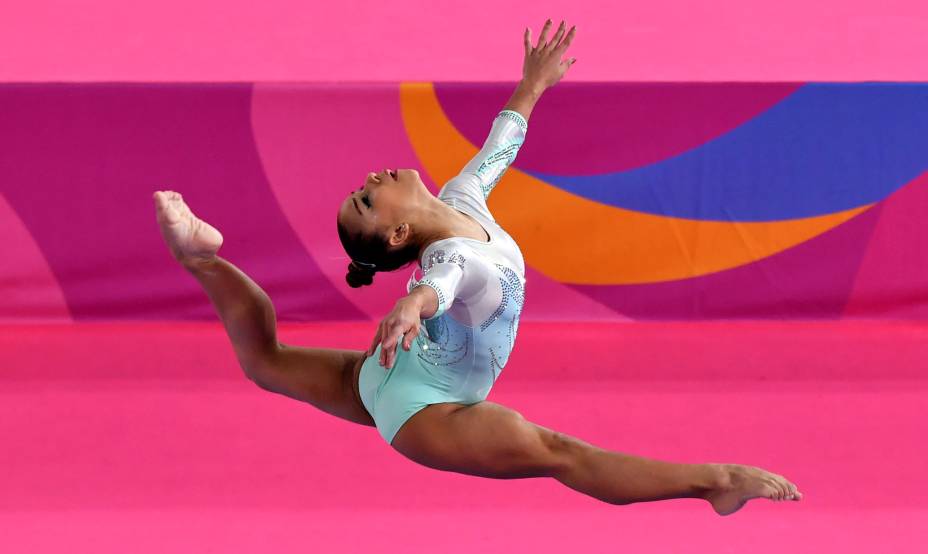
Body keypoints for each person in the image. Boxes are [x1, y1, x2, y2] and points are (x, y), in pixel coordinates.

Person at [153, 19, 801, 515]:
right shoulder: (448, 254)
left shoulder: (463, 202)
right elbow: (444, 282)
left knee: (265, 360)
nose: (372, 178)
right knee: (560, 455)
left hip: (382, 375)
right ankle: (716, 481)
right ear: (399, 231)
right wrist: (411, 305)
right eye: (368, 200)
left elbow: (499, 148)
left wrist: (532, 85)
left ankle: (200, 259)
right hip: (428, 409)